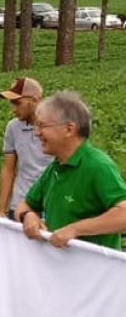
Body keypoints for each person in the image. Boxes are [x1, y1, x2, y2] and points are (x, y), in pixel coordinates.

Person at [15, 91, 126, 249]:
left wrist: (74, 230)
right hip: (60, 268)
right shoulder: (55, 167)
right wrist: (28, 216)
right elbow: (25, 204)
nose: (37, 133)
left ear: (69, 129)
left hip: (93, 270)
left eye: (43, 126)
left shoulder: (98, 165)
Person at [0, 77, 52, 219]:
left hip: (49, 207)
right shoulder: (13, 127)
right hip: (19, 207)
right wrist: (2, 211)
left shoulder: (56, 126)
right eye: (12, 104)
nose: (14, 109)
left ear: (35, 100)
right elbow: (8, 169)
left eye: (18, 103)